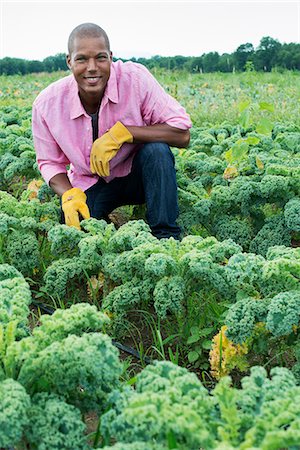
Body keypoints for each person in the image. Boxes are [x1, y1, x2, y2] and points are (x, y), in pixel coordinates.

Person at [32, 23, 192, 239]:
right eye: (81, 59)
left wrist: (125, 133)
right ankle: (107, 224)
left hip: (137, 177)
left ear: (111, 57)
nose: (92, 67)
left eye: (100, 57)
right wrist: (69, 193)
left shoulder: (135, 80)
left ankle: (166, 236)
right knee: (79, 232)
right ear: (69, 60)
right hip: (89, 181)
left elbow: (182, 133)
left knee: (157, 151)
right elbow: (50, 162)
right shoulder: (47, 104)